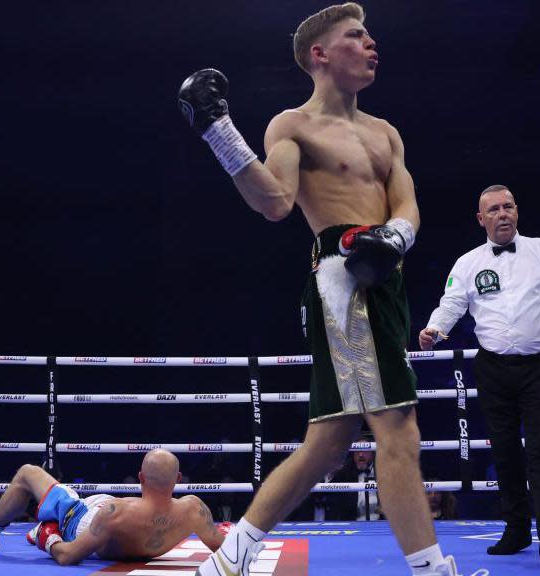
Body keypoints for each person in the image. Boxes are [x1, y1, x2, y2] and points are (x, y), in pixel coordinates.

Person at [179, 4, 464, 575]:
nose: (371, 43)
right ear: (320, 54)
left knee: (329, 442)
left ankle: (228, 561)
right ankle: (433, 571)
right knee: (398, 428)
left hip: (386, 277)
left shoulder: (385, 132)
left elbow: (406, 201)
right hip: (345, 275)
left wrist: (397, 237)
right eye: (356, 36)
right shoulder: (293, 125)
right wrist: (219, 132)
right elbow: (276, 203)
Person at [419, 185, 540, 563]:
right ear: (481, 219)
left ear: (517, 211)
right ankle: (516, 530)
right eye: (493, 209)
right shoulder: (467, 263)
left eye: (508, 206)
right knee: (505, 452)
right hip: (492, 368)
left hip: (539, 367)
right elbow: (452, 303)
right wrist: (435, 330)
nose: (502, 214)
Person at [0, 449, 227, 565]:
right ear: (178, 479)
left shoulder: (116, 515)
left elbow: (69, 557)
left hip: (77, 519)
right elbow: (225, 549)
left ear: (140, 478)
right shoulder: (193, 509)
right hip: (95, 513)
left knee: (27, 472)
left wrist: (50, 538)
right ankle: (39, 527)